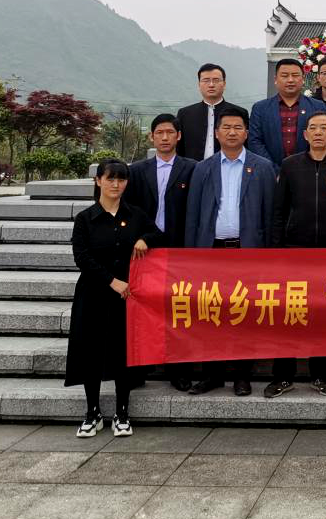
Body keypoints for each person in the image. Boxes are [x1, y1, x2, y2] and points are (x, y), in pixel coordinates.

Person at [185, 106, 277, 397]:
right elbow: (193, 216)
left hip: (246, 251)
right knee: (211, 311)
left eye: (238, 127)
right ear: (217, 133)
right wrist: (191, 255)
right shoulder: (203, 168)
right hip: (212, 250)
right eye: (226, 127)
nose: (232, 132)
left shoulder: (263, 168)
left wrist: (269, 255)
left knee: (243, 313)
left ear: (246, 133)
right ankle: (211, 374)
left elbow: (270, 215)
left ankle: (241, 375)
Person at [267, 111, 326, 399]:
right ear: (305, 135)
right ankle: (283, 376)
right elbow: (279, 212)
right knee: (288, 314)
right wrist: (277, 252)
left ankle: (322, 375)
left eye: (324, 128)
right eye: (313, 128)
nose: (318, 132)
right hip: (294, 253)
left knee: (324, 316)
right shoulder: (290, 165)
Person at [66, 160, 160, 437]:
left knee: (122, 352)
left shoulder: (136, 215)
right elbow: (82, 257)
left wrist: (145, 239)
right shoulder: (85, 218)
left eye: (121, 180)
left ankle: (122, 412)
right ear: (98, 181)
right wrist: (112, 281)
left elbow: (159, 234)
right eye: (110, 179)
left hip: (126, 297)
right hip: (94, 294)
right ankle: (92, 412)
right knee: (91, 352)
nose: (115, 185)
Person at [122, 114, 197, 391]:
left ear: (179, 136)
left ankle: (179, 370)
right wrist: (138, 238)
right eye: (159, 133)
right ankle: (140, 368)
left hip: (179, 249)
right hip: (145, 250)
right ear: (151, 137)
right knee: (144, 309)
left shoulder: (192, 168)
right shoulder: (136, 171)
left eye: (170, 132)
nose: (165, 137)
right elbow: (128, 211)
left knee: (179, 308)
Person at [248, 59, 326, 171]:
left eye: (295, 75)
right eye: (284, 76)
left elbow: (323, 139)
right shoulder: (260, 108)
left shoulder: (317, 106)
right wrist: (273, 171)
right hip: (269, 173)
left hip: (308, 171)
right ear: (275, 79)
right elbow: (255, 142)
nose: (290, 80)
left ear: (303, 79)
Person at [176, 63, 246, 161]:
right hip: (193, 168)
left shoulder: (239, 113)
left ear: (224, 84)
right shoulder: (185, 114)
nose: (211, 85)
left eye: (216, 80)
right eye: (206, 80)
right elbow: (178, 149)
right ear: (199, 85)